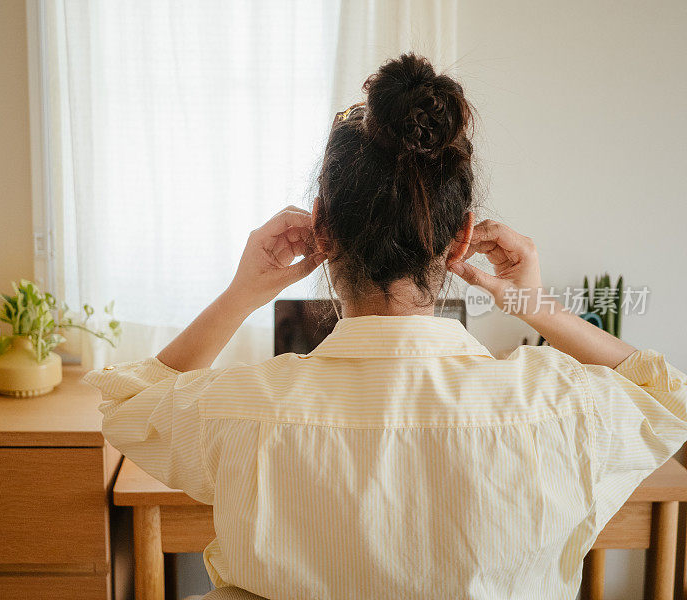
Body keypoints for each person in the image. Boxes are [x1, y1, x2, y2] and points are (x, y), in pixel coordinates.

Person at [85, 53, 687, 599]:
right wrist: (536, 308)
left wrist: (242, 294)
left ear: (323, 230)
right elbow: (669, 399)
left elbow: (127, 402)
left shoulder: (241, 408)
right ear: (459, 239)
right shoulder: (559, 409)